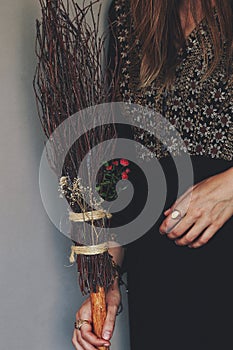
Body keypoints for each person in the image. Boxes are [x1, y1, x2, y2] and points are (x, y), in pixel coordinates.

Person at [72, 0, 233, 349]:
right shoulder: (128, 13)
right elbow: (118, 158)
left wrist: (230, 187)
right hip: (160, 275)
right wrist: (106, 279)